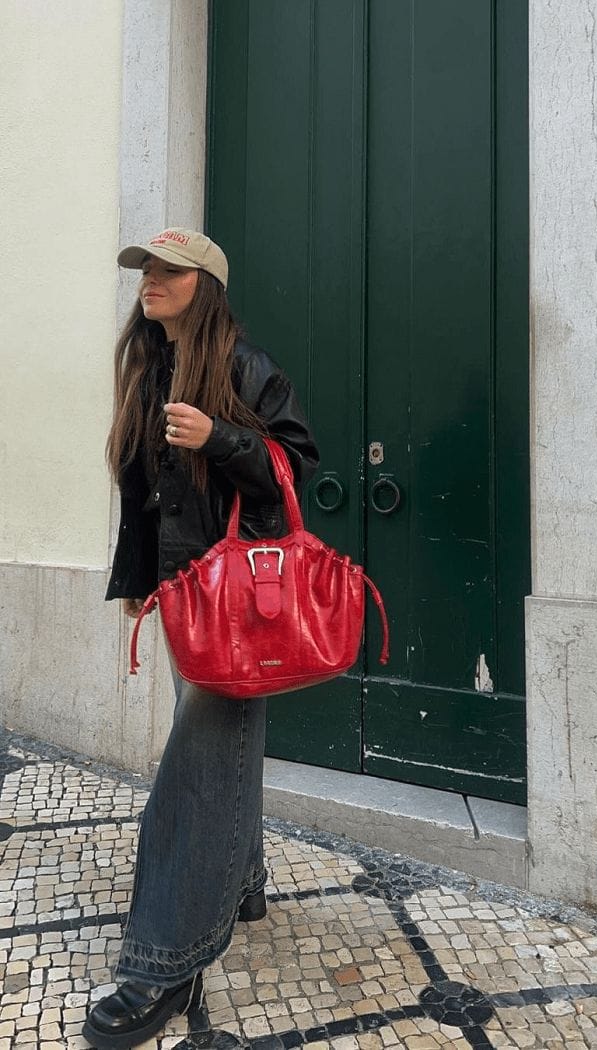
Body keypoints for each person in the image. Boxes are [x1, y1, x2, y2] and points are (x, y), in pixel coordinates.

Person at [83, 228, 319, 1049]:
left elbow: (296, 467)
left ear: (204, 285)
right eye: (145, 269)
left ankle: (164, 964)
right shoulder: (150, 370)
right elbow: (143, 494)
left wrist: (220, 437)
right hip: (185, 596)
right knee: (221, 750)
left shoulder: (247, 369)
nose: (149, 280)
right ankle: (244, 881)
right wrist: (138, 581)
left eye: (168, 270)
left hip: (239, 603)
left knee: (195, 770)